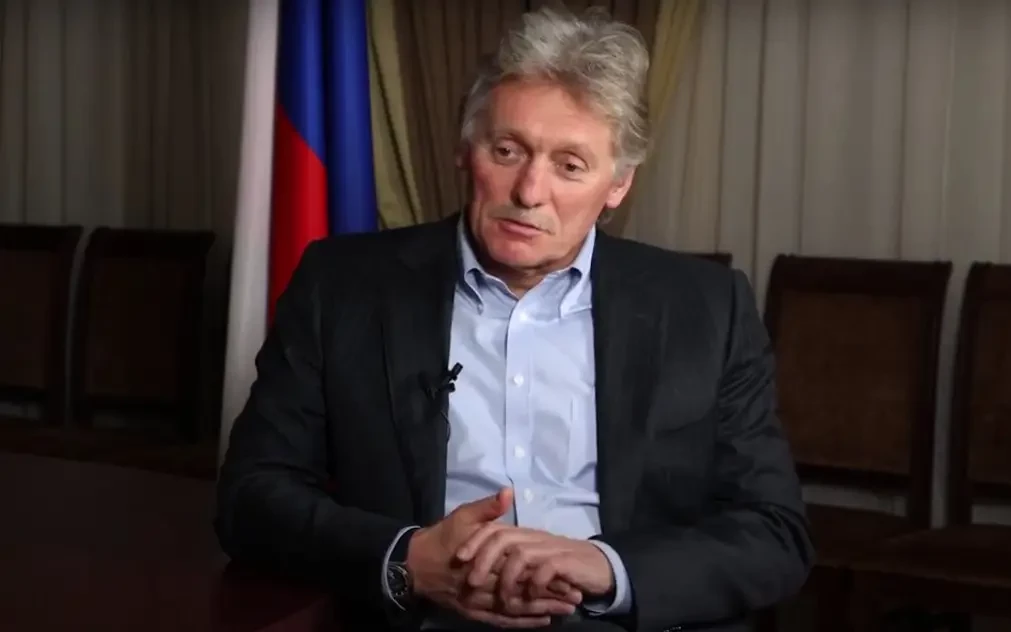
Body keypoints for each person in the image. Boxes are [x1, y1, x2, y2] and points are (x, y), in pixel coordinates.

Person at [215, 6, 812, 632]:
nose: (529, 192)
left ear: (617, 184)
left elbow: (775, 533)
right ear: (465, 149)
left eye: (570, 165)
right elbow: (250, 498)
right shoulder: (342, 287)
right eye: (507, 151)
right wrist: (407, 560)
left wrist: (608, 568)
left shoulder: (707, 308)